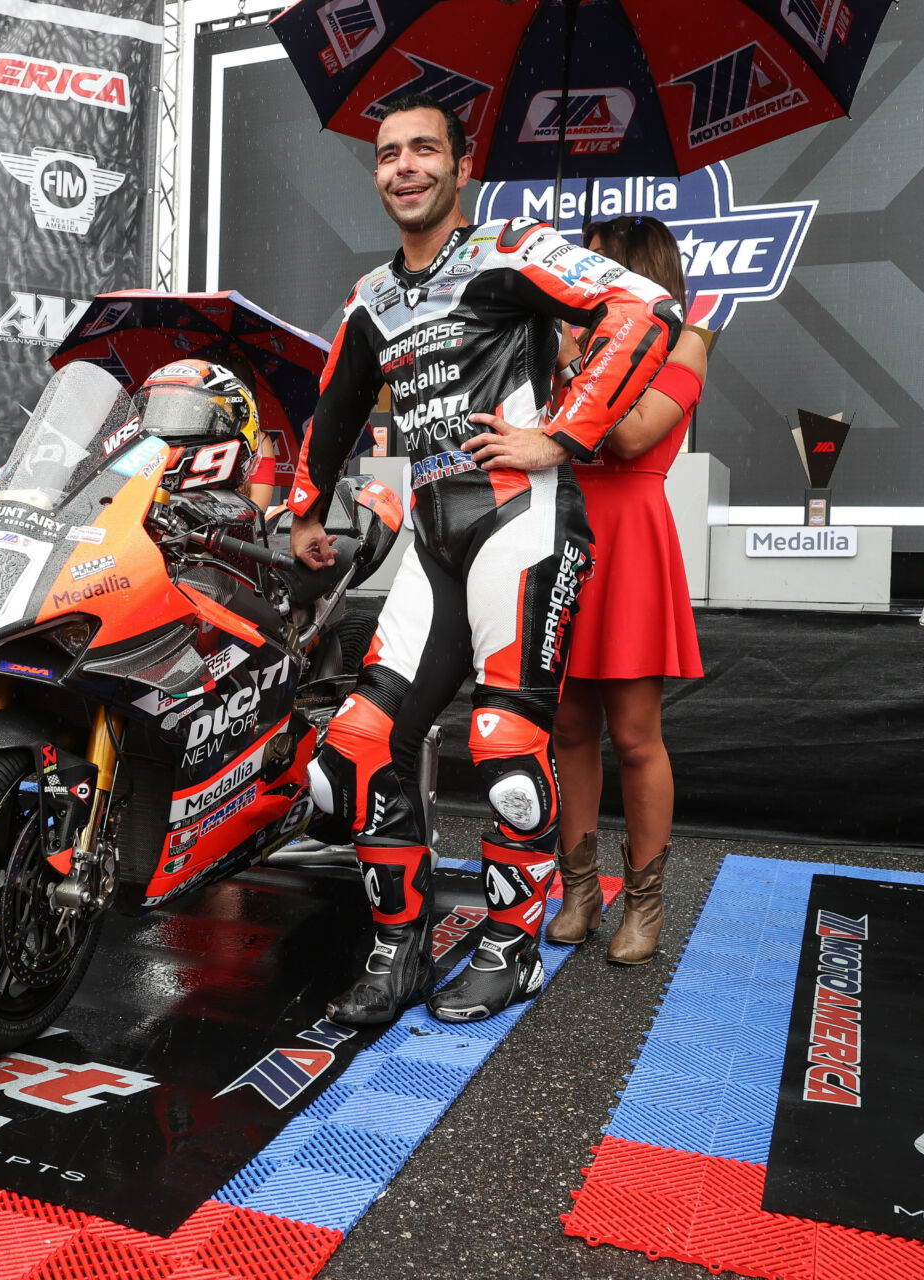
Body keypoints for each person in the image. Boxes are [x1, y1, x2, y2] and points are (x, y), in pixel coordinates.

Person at [289, 95, 679, 1026]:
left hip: (524, 521)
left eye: (426, 150)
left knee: (506, 749)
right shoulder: (370, 299)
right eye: (389, 155)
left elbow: (646, 308)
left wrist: (563, 435)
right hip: (433, 535)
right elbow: (335, 409)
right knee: (354, 746)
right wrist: (305, 509)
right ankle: (399, 954)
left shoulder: (511, 247)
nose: (405, 167)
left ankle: (513, 948)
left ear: (463, 169)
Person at [546, 215, 706, 965]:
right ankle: (578, 890)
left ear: (640, 269)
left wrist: (580, 364)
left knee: (637, 737)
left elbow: (634, 434)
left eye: (599, 264)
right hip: (562, 533)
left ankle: (644, 904)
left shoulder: (687, 341)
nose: (584, 277)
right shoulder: (561, 342)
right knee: (568, 731)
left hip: (632, 538)